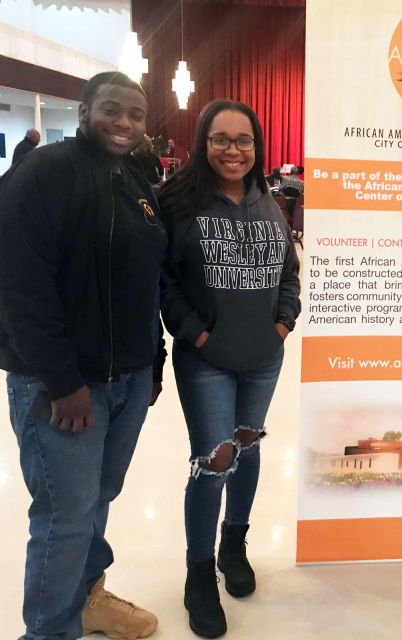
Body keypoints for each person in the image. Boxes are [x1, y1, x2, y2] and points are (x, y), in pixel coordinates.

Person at [0, 72, 166, 640]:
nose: (123, 123)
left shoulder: (137, 182)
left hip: (128, 377)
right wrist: (62, 379)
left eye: (135, 114)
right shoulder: (46, 172)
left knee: (98, 498)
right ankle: (49, 631)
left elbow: (145, 283)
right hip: (63, 386)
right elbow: (21, 285)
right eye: (111, 110)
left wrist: (154, 362)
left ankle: (87, 599)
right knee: (64, 518)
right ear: (84, 110)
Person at [158, 100, 301, 638]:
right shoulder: (178, 201)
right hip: (206, 361)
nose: (233, 149)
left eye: (243, 140)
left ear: (257, 146)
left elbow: (289, 271)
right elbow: (165, 282)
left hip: (264, 359)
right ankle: (198, 575)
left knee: (248, 447)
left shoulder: (269, 200)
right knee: (215, 460)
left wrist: (283, 323)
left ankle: (233, 545)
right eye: (220, 139)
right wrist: (197, 334)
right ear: (203, 142)